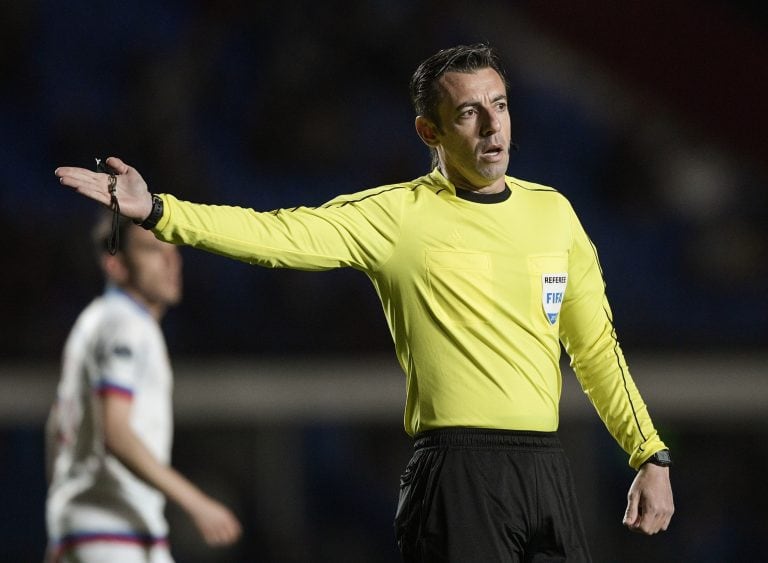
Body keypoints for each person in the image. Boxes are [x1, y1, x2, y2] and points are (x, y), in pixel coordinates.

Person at [55, 43, 674, 562]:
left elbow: (595, 347)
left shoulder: (553, 214)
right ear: (428, 132)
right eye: (468, 113)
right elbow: (279, 236)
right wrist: (161, 211)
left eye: (500, 106)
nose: (492, 127)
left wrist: (648, 451)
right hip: (457, 475)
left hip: (545, 470)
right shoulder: (398, 217)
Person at [45, 213, 242, 562]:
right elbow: (115, 431)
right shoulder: (127, 326)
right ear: (116, 265)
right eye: (152, 250)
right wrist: (196, 502)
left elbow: (58, 424)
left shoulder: (94, 321)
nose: (171, 261)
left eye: (173, 249)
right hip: (112, 530)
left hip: (90, 527)